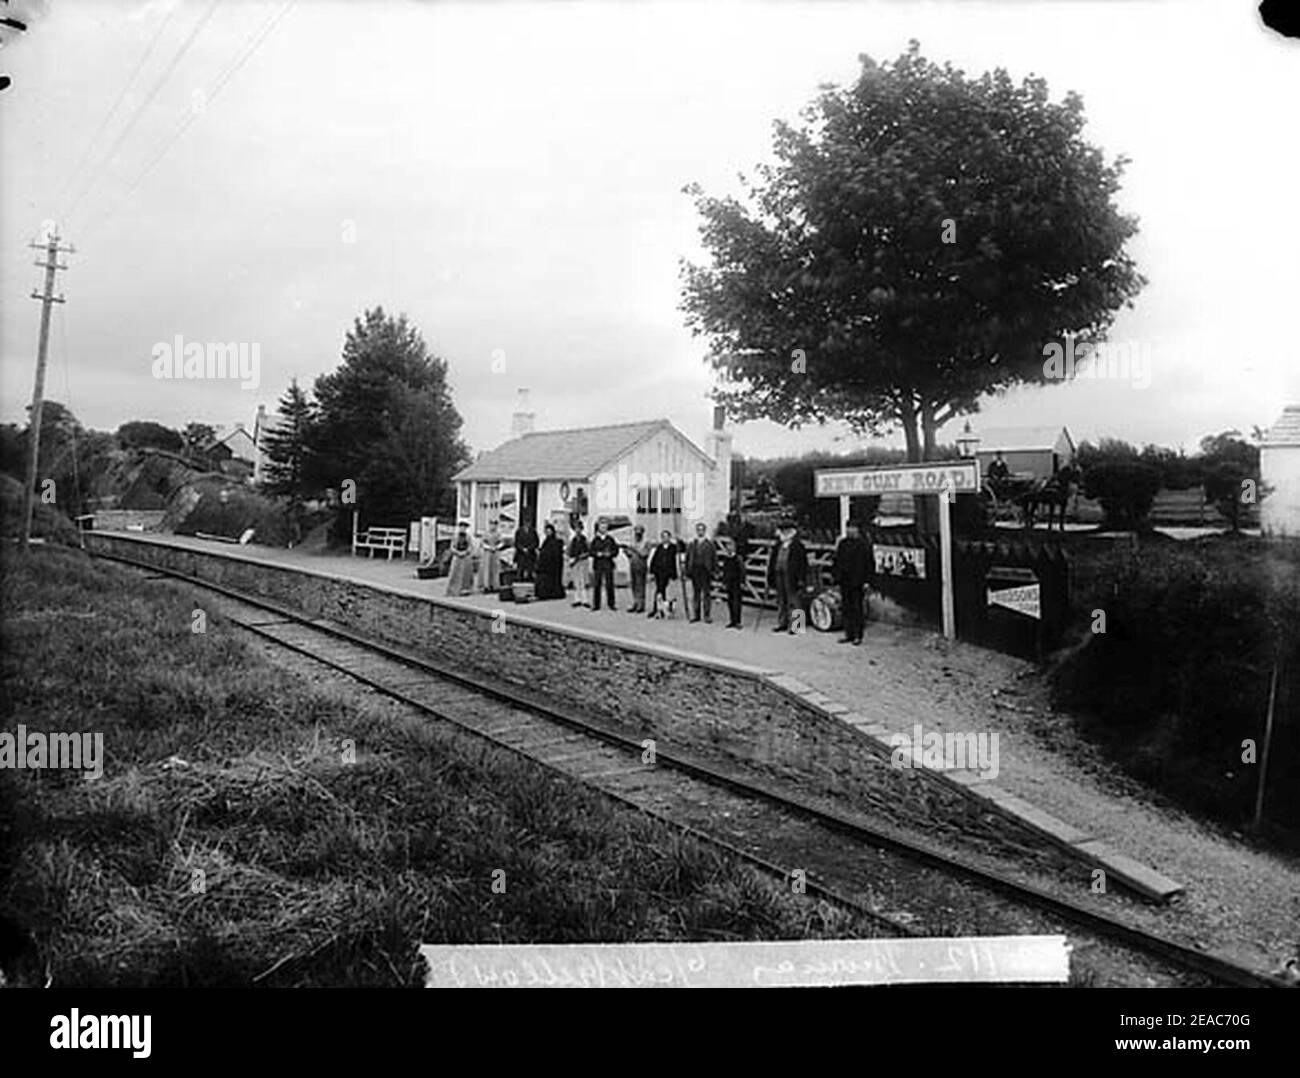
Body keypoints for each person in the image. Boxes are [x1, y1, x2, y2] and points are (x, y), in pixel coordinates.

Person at [833, 520, 871, 645]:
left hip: (857, 581)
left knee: (857, 608)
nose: (849, 530)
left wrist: (867, 581)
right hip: (845, 581)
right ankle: (848, 633)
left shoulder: (864, 545)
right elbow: (838, 561)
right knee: (846, 608)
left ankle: (857, 635)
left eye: (852, 528)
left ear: (857, 529)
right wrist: (837, 577)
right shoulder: (843, 543)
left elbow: (868, 564)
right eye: (848, 527)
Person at [766, 520, 807, 634]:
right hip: (779, 574)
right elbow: (772, 561)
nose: (784, 532)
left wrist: (801, 578)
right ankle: (782, 622)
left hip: (792, 575)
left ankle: (797, 625)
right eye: (783, 530)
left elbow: (803, 564)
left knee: (794, 600)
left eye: (787, 530)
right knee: (781, 600)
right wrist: (770, 575)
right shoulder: (777, 545)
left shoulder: (798, 546)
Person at [683, 521, 717, 623]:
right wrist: (686, 571)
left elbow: (714, 558)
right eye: (698, 530)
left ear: (705, 531)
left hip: (705, 570)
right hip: (695, 570)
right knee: (696, 593)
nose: (700, 532)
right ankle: (696, 614)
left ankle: (707, 615)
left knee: (706, 593)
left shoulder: (709, 544)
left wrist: (715, 570)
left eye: (702, 530)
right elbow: (687, 558)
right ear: (696, 531)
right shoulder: (692, 544)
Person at [589, 518, 619, 611]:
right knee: (597, 584)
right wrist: (596, 554)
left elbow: (616, 551)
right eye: (601, 527)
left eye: (605, 527)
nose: (603, 529)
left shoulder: (610, 539)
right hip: (598, 564)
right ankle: (596, 605)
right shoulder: (595, 540)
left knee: (609, 584)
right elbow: (591, 551)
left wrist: (610, 554)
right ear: (598, 528)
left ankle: (611, 604)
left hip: (608, 563)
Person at [648, 530, 678, 618]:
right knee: (659, 591)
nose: (665, 538)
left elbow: (674, 560)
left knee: (666, 591)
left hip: (668, 572)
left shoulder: (673, 548)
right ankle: (657, 609)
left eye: (667, 536)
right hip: (659, 572)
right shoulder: (659, 547)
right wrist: (652, 571)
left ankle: (665, 609)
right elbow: (654, 559)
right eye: (663, 537)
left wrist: (674, 574)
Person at [622, 525, 651, 613]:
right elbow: (630, 554)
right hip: (633, 565)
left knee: (640, 585)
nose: (637, 534)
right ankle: (635, 602)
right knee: (634, 585)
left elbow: (644, 554)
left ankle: (641, 604)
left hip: (641, 566)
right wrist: (627, 552)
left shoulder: (646, 542)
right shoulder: (633, 541)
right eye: (636, 532)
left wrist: (634, 549)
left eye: (639, 532)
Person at [718, 534, 744, 629]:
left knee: (737, 602)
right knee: (730, 602)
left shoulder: (738, 558)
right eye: (727, 545)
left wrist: (742, 582)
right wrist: (724, 582)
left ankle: (738, 621)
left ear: (734, 547)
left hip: (737, 582)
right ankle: (732, 620)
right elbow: (725, 571)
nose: (729, 547)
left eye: (731, 545)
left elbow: (742, 571)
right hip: (729, 582)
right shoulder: (726, 559)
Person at [446, 520, 477, 597]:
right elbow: (452, 547)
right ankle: (453, 589)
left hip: (465, 556)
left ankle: (466, 589)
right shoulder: (455, 536)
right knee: (455, 573)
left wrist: (466, 552)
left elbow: (471, 546)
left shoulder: (468, 537)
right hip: (457, 556)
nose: (463, 529)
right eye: (461, 527)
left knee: (466, 573)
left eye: (464, 527)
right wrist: (457, 552)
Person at [535, 522, 565, 599]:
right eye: (546, 531)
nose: (548, 533)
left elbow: (556, 553)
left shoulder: (555, 541)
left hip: (552, 565)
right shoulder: (546, 541)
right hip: (545, 565)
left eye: (549, 531)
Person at [568, 519, 591, 607]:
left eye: (579, 528)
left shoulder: (584, 539)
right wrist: (571, 559)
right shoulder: (573, 540)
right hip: (575, 562)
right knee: (576, 581)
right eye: (576, 528)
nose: (577, 530)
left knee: (583, 581)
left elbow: (589, 550)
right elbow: (569, 551)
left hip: (583, 561)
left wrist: (583, 555)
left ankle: (585, 600)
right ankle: (577, 599)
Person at [477, 520, 502, 592]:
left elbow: (501, 543)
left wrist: (496, 547)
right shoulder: (486, 533)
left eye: (495, 524)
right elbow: (482, 543)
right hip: (487, 553)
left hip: (495, 552)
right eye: (492, 524)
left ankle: (495, 585)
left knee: (495, 569)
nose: (493, 526)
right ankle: (486, 586)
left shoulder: (498, 534)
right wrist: (489, 547)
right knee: (486, 568)